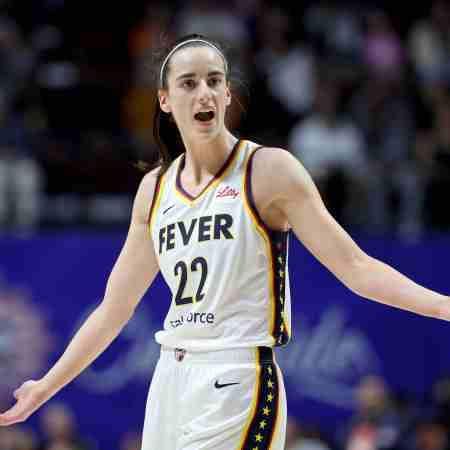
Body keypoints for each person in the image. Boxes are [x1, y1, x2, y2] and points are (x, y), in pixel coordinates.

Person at [0, 33, 449, 450]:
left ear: (228, 95)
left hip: (239, 375)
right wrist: (46, 385)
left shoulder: (269, 170)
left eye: (215, 81)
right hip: (170, 379)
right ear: (164, 99)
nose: (204, 93)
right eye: (189, 83)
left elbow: (357, 269)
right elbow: (113, 310)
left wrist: (443, 305)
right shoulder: (155, 189)